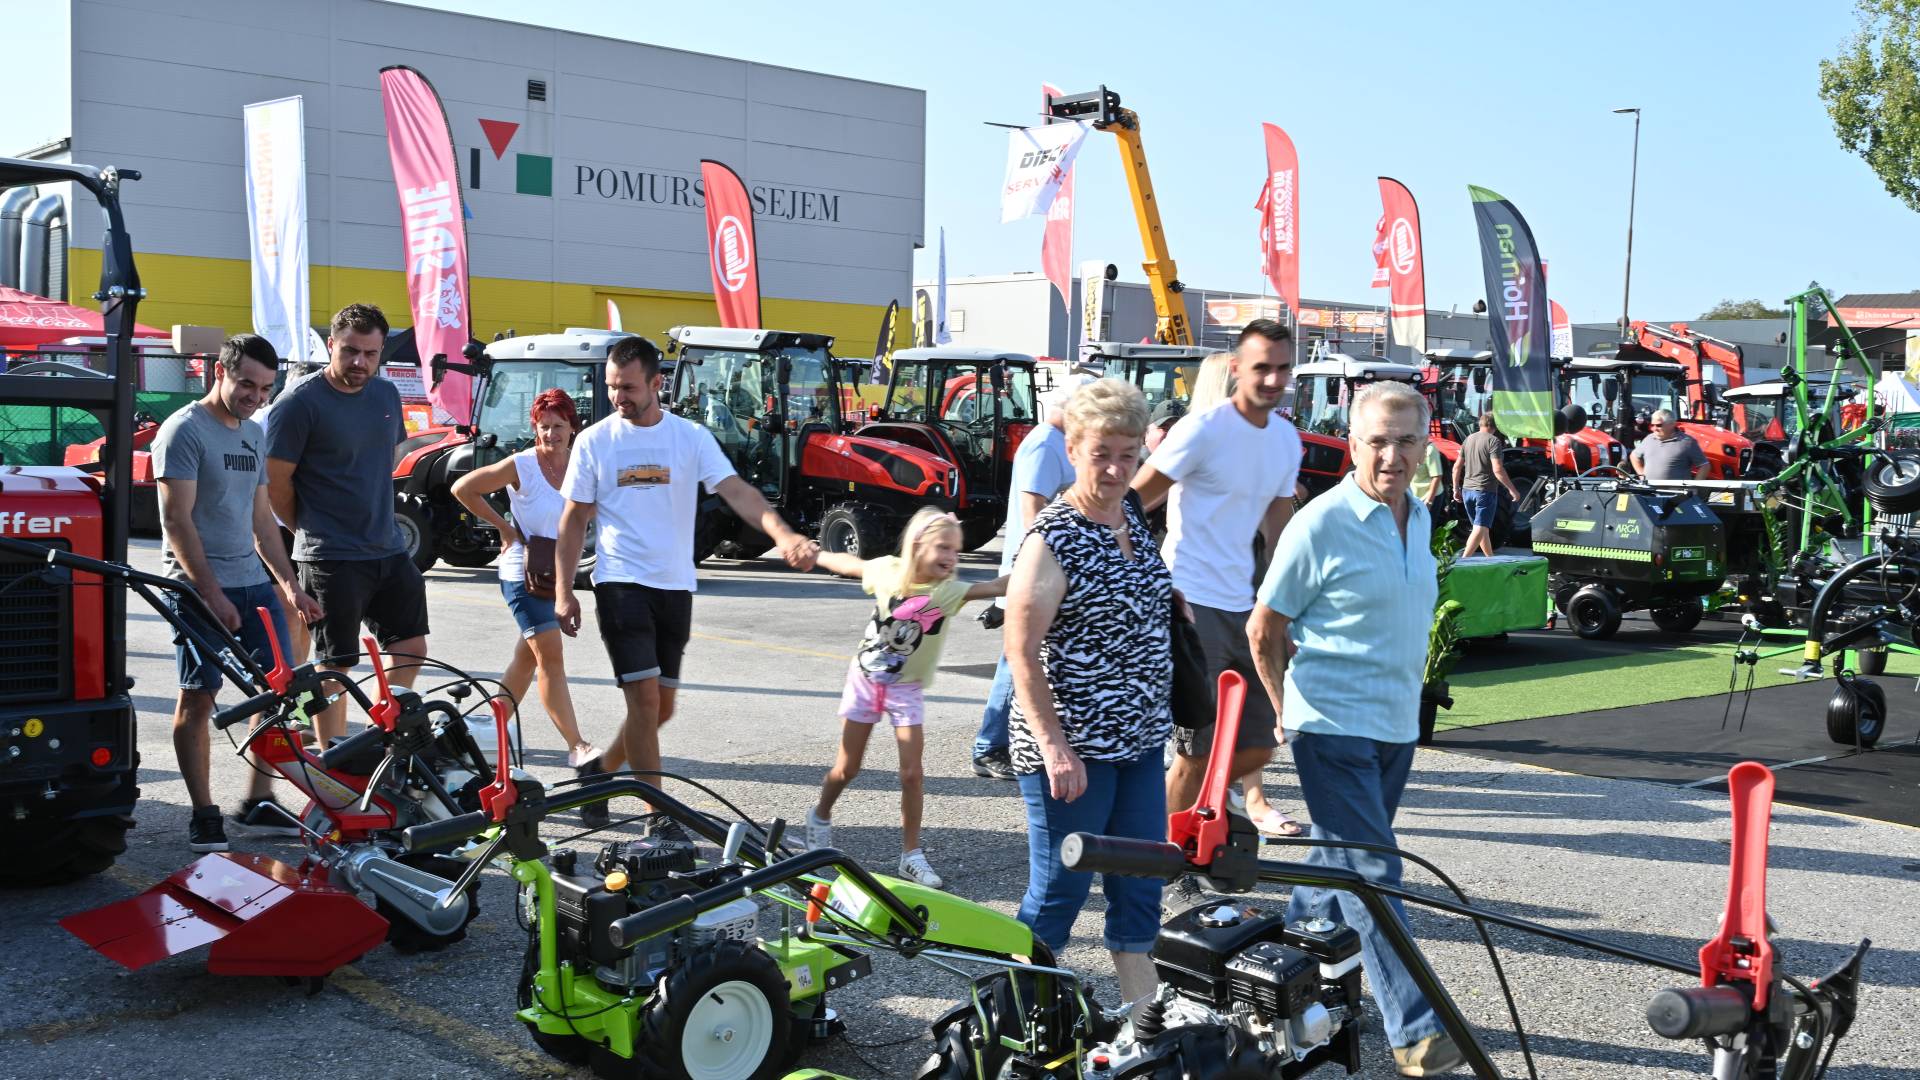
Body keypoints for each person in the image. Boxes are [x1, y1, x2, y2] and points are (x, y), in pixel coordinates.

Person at [1248, 380, 1463, 1077]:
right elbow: (1264, 627)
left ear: (1425, 445)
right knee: (1375, 872)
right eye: (1377, 440)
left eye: (1406, 441)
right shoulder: (1320, 523)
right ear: (1352, 443)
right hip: (1331, 724)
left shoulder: (1422, 518)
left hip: (1395, 726)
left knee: (1337, 866)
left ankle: (1276, 965)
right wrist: (1284, 709)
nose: (1391, 456)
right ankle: (1420, 1032)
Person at [554, 335, 816, 826]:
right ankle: (660, 816)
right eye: (612, 387)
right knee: (645, 698)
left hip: (675, 586)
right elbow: (573, 520)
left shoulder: (690, 437)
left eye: (628, 387)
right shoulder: (594, 441)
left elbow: (736, 489)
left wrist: (783, 533)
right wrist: (564, 591)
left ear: (657, 383)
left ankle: (601, 777)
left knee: (659, 710)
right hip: (620, 583)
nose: (618, 397)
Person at [1006, 378, 1172, 1008]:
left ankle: (1145, 1024)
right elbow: (1020, 651)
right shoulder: (1054, 536)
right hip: (1074, 748)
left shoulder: (1128, 510)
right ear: (1073, 447)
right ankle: (1014, 1016)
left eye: (1128, 455)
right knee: (1059, 891)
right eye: (1101, 452)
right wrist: (1054, 747)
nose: (1114, 468)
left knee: (1141, 887)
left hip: (1138, 740)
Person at [1130, 319, 1301, 856]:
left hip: (1243, 604)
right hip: (1190, 599)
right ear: (1235, 370)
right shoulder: (1202, 430)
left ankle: (1178, 822)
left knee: (1255, 747)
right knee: (1201, 749)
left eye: (1281, 368)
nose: (1272, 379)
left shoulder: (1285, 438)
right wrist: (1129, 572)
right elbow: (1135, 501)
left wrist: (1281, 609)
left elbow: (1277, 535)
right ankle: (1166, 857)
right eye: (1261, 368)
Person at [154, 334, 324, 851]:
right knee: (200, 698)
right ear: (219, 373)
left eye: (266, 388)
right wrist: (211, 592)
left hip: (252, 582)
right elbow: (176, 520)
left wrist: (290, 587)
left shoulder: (253, 433)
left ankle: (260, 798)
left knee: (284, 692)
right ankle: (204, 813)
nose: (255, 395)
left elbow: (261, 521)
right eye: (246, 383)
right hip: (196, 587)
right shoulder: (183, 431)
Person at [803, 507, 1009, 887]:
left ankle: (911, 855)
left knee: (912, 774)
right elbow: (848, 563)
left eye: (957, 551)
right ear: (918, 545)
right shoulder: (887, 572)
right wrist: (813, 553)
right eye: (944, 548)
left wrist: (1046, 564)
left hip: (906, 689)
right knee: (847, 768)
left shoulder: (949, 592)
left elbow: (999, 586)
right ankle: (819, 817)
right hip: (866, 680)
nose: (951, 557)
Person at [267, 304, 429, 747]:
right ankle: (330, 764)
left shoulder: (385, 395)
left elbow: (386, 461)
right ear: (333, 345)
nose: (360, 363)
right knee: (336, 665)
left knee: (410, 645)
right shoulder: (299, 403)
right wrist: (309, 526)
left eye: (370, 354)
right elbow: (275, 483)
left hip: (388, 548)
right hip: (330, 555)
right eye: (351, 351)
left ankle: (379, 740)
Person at [450, 388, 599, 769]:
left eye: (558, 426)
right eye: (544, 427)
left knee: (526, 659)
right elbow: (462, 488)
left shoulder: (582, 464)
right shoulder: (523, 464)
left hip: (558, 573)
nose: (551, 434)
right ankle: (577, 745)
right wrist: (503, 527)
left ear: (572, 427)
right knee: (550, 654)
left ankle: (483, 732)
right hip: (522, 571)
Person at [971, 372, 1096, 781]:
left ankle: (1000, 742)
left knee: (1025, 656)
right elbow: (1033, 514)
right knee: (1016, 658)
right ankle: (989, 747)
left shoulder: (1057, 443)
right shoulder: (1044, 443)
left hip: (1047, 568)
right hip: (1036, 570)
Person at [253, 358, 324, 669]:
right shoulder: (262, 422)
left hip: (311, 528)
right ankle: (291, 701)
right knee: (289, 617)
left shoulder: (323, 417)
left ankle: (298, 700)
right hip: (273, 529)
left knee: (307, 619)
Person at [1450, 413, 1519, 559]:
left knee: (1482, 529)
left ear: (1480, 424)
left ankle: (1490, 559)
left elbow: (1456, 467)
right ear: (1496, 426)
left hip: (1467, 491)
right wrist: (1512, 490)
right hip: (1484, 491)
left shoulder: (1468, 439)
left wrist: (1456, 488)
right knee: (1480, 527)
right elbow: (1498, 469)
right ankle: (1463, 561)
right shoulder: (1493, 441)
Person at [1631, 409, 1709, 481]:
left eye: (1659, 425)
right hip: (1649, 493)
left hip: (1675, 494)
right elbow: (1634, 456)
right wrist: (1642, 476)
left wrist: (1694, 487)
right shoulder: (1649, 439)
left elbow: (1704, 466)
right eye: (1652, 425)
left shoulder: (1687, 442)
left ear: (1672, 424)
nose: (1654, 429)